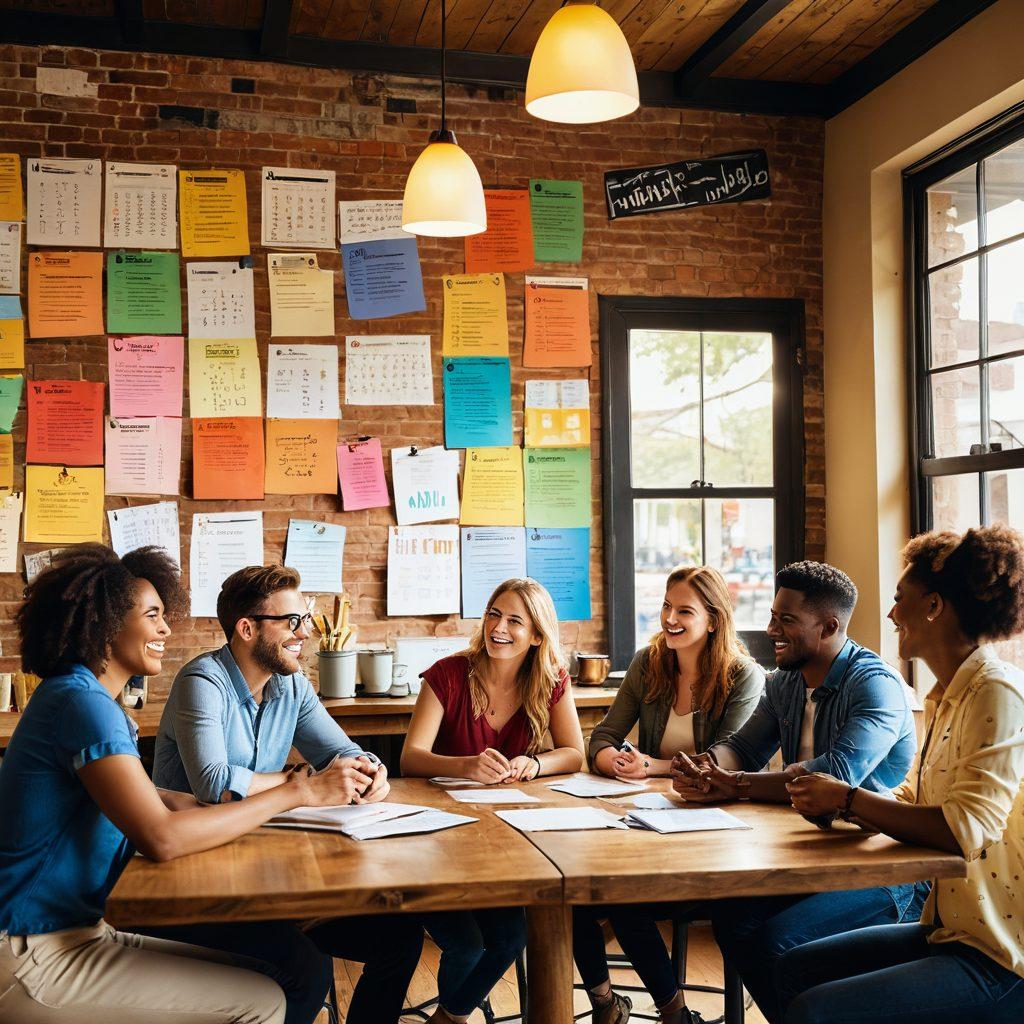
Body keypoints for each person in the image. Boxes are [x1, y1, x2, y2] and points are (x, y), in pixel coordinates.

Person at [0, 544, 364, 1024]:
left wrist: (189, 801)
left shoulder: (84, 698)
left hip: (80, 932)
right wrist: (298, 791)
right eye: (153, 615)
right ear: (106, 623)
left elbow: (149, 798)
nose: (166, 629)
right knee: (264, 1002)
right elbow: (161, 837)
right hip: (32, 953)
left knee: (288, 970)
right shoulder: (84, 706)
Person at [152, 564, 424, 1024]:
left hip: (270, 868)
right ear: (247, 628)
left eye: (306, 620)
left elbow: (342, 752)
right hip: (199, 878)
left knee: (400, 938)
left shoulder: (291, 684)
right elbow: (214, 784)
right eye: (292, 622)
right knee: (304, 966)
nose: (305, 634)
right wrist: (305, 785)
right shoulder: (202, 681)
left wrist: (371, 771)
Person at [778, 525, 1024, 1024]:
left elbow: (962, 829)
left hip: (1000, 953)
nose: (891, 614)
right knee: (789, 970)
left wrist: (847, 799)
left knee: (812, 1011)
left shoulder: (997, 693)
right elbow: (913, 799)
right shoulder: (946, 694)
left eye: (899, 599)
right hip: (946, 929)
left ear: (934, 606)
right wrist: (836, 807)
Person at [671, 561, 924, 1024]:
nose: (771, 630)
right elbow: (743, 748)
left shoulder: (875, 685)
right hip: (810, 856)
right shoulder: (785, 680)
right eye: (772, 616)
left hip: (885, 867)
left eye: (785, 620)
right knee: (733, 920)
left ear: (828, 626)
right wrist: (708, 769)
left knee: (776, 943)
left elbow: (837, 774)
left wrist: (738, 785)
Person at [574, 565, 765, 1024]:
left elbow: (726, 759)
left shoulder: (744, 676)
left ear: (714, 619)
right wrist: (611, 761)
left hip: (712, 833)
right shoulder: (648, 662)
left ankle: (674, 1013)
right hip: (647, 822)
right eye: (665, 606)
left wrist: (650, 766)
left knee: (622, 900)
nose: (669, 619)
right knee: (572, 893)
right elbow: (602, 736)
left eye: (684, 610)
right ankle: (605, 1005)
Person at [401, 577, 585, 1024]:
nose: (498, 627)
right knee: (466, 943)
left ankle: (450, 1016)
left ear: (537, 634)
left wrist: (534, 765)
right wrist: (466, 765)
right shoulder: (447, 674)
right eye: (492, 614)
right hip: (439, 838)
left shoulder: (551, 679)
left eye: (514, 620)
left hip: (502, 841)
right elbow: (410, 759)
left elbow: (575, 753)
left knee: (511, 937)